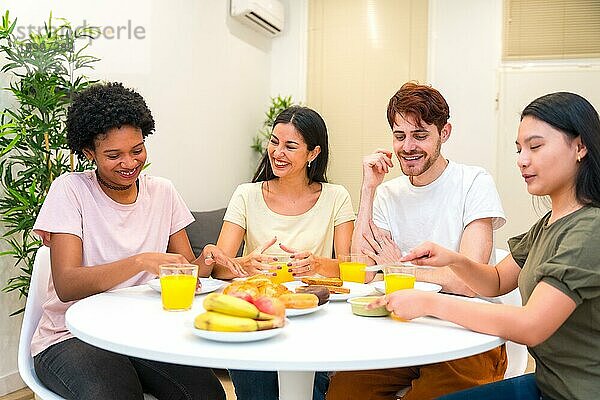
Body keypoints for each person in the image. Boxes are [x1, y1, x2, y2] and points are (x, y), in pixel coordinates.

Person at [383, 91, 600, 400]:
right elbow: (497, 281)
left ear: (580, 147)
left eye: (535, 147)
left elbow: (531, 326)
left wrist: (429, 303)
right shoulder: (549, 224)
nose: (522, 161)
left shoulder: (590, 229)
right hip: (548, 383)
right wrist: (452, 259)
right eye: (519, 149)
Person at [31, 82, 232, 400]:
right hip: (70, 336)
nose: (129, 163)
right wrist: (140, 261)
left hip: (140, 333)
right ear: (89, 152)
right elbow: (67, 284)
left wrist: (205, 259)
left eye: (137, 150)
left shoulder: (162, 191)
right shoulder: (70, 191)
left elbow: (187, 275)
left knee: (206, 393)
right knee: (117, 393)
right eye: (114, 155)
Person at [326, 82, 507, 400]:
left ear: (444, 133)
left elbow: (469, 283)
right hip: (403, 328)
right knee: (343, 392)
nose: (407, 146)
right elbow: (364, 269)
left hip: (468, 334)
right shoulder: (387, 193)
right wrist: (369, 188)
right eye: (399, 136)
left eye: (420, 135)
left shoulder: (473, 183)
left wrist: (395, 268)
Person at [207, 106, 355, 400]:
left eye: (290, 146)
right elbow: (219, 267)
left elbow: (350, 267)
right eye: (274, 142)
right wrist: (244, 265)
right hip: (256, 318)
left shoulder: (336, 196)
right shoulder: (246, 194)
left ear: (313, 153)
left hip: (310, 316)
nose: (277, 152)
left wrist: (317, 263)